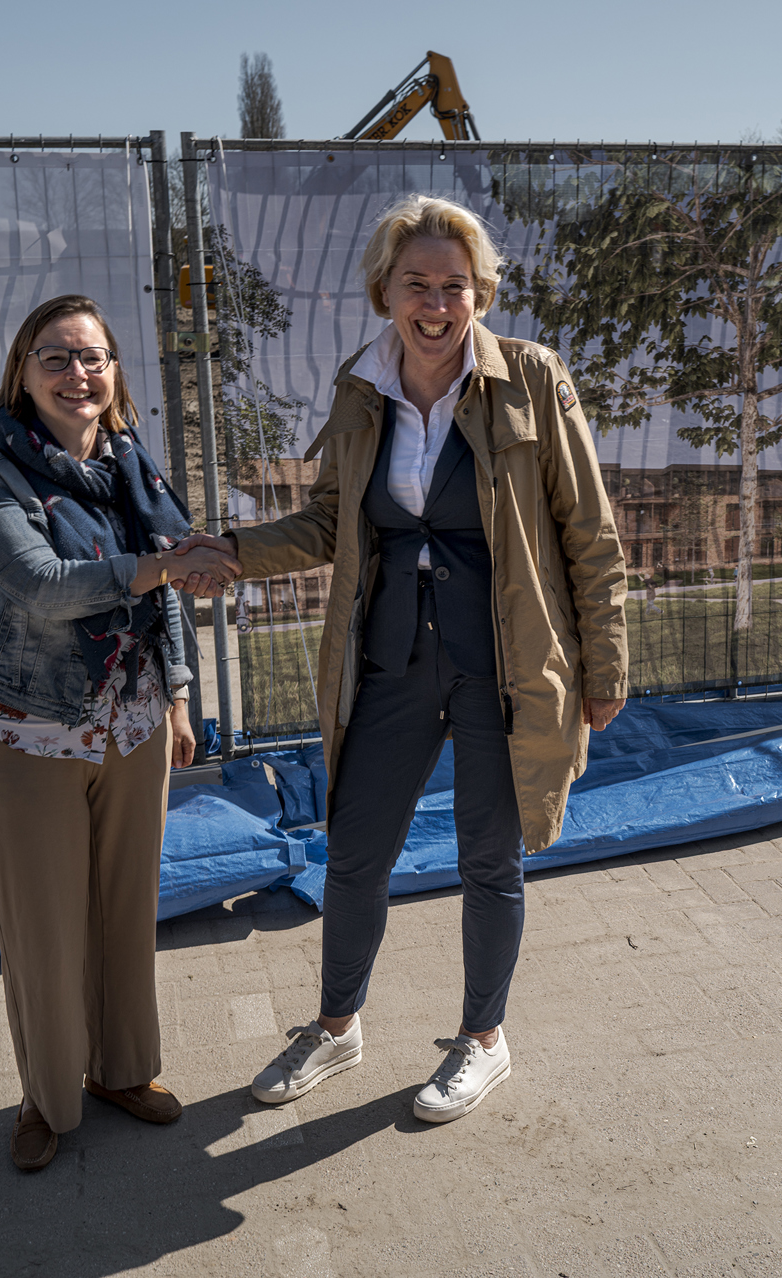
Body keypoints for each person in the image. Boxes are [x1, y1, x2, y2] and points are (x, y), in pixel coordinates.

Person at [177, 195, 628, 1124]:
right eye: (416, 283)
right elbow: (325, 522)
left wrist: (606, 668)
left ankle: (482, 1042)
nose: (435, 303)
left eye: (454, 286)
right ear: (385, 289)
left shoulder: (535, 380)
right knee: (355, 851)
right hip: (388, 658)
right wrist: (229, 549)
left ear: (482, 293)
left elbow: (592, 535)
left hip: (504, 663)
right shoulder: (361, 388)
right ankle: (336, 1027)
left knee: (487, 861)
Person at [0, 294, 239, 1171]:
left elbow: (169, 592)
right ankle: (47, 1097)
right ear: (22, 374)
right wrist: (165, 564)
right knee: (44, 932)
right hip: (29, 737)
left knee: (122, 916)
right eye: (57, 358)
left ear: (114, 372)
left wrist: (181, 695)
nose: (79, 374)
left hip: (135, 727)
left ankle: (122, 1072)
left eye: (94, 358)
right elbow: (45, 584)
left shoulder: (134, 467)